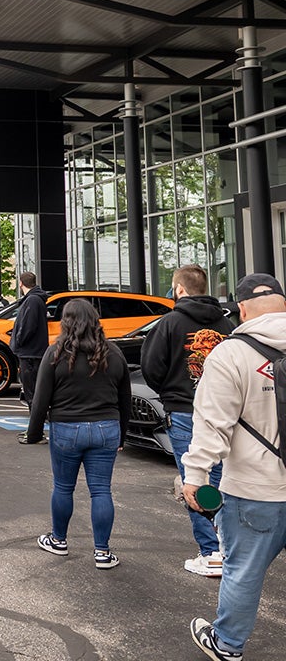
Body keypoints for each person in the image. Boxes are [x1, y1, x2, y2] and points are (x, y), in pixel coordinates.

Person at [183, 274, 286, 661]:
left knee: (243, 571)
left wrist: (195, 476)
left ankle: (227, 644)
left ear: (241, 309)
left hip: (253, 490)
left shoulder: (230, 354)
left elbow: (212, 424)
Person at [140, 263, 234, 578]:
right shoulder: (227, 325)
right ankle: (227, 547)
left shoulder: (169, 323)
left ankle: (211, 552)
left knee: (194, 482)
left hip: (184, 411)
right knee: (222, 480)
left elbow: (151, 366)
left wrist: (170, 392)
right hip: (224, 413)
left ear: (179, 289)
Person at [23, 299, 131, 570]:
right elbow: (125, 398)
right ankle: (103, 552)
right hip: (106, 428)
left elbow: (40, 399)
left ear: (66, 322)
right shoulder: (113, 353)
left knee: (63, 487)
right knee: (101, 490)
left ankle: (58, 540)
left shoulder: (56, 353)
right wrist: (122, 435)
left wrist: (33, 433)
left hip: (66, 429)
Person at [11, 271, 50, 408]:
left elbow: (28, 326)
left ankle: (35, 419)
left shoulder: (32, 300)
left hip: (30, 353)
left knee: (31, 390)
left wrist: (19, 341)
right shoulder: (35, 299)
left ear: (21, 283)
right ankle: (36, 417)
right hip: (33, 351)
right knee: (33, 389)